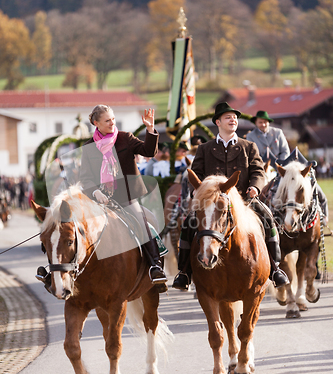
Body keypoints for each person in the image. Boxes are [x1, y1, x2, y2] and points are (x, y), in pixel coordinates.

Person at [172, 101, 290, 291]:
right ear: (218, 122)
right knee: (188, 223)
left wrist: (255, 188)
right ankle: (184, 272)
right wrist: (198, 190)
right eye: (228, 117)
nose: (233, 119)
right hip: (213, 203)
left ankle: (275, 268)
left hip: (244, 201)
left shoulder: (249, 146)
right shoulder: (204, 149)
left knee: (268, 219)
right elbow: (197, 173)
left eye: (234, 117)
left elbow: (258, 172)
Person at [79, 104, 168, 293]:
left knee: (142, 222)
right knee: (77, 227)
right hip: (99, 201)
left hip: (126, 198)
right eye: (107, 120)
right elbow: (85, 177)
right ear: (96, 123)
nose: (112, 123)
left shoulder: (125, 138)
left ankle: (155, 266)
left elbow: (148, 151)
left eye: (113, 119)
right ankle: (71, 271)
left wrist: (150, 130)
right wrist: (96, 192)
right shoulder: (88, 147)